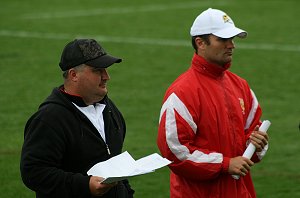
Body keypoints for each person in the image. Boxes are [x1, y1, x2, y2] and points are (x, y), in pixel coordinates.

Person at [157, 8, 269, 198]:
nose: (231, 45)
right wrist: (225, 164)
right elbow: (175, 152)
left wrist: (257, 144)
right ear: (200, 43)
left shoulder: (241, 86)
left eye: (232, 39)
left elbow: (252, 133)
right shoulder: (182, 92)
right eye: (223, 40)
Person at [20, 39, 135, 198]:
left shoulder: (109, 109)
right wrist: (85, 185)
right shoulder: (49, 118)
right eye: (97, 70)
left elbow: (114, 163)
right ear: (74, 74)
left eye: (106, 70)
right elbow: (34, 172)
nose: (106, 76)